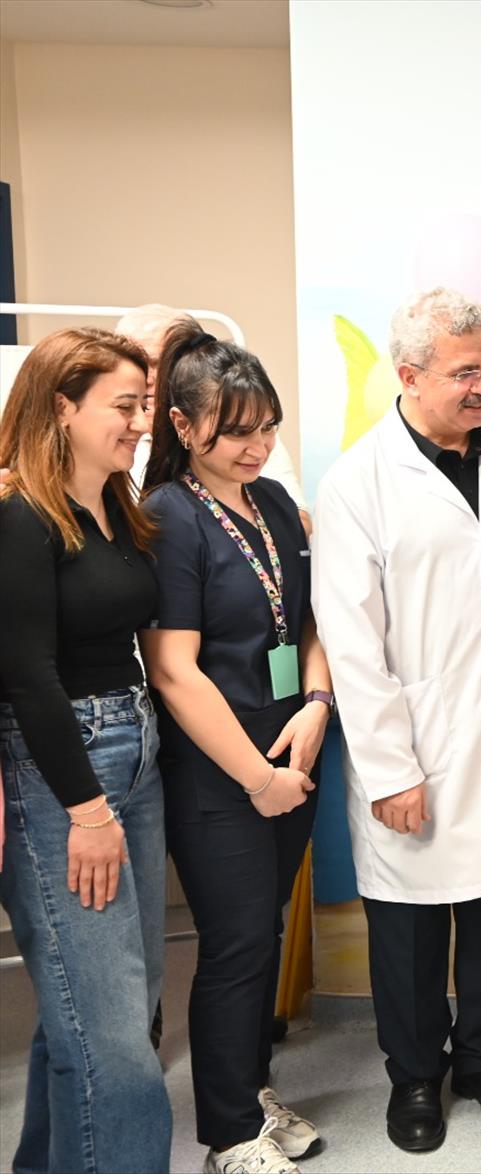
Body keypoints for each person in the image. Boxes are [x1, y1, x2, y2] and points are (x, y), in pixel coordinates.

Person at [312, 289, 481, 1153]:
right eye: (464, 372)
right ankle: (415, 1076)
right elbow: (352, 642)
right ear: (410, 376)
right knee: (410, 926)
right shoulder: (359, 483)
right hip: (417, 743)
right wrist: (391, 769)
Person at [138, 324, 332, 1174]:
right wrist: (257, 778)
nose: (257, 447)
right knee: (236, 942)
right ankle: (226, 1133)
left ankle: (251, 1093)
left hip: (295, 753)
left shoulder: (275, 502)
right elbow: (173, 670)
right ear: (184, 427)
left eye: (267, 429)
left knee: (263, 932)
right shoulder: (169, 518)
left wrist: (318, 704)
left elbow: (311, 621)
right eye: (237, 432)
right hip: (223, 773)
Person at [0, 328, 172, 1174]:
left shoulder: (115, 505)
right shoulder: (19, 514)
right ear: (63, 407)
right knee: (113, 1041)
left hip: (131, 748)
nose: (141, 422)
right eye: (125, 406)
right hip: (65, 770)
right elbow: (27, 676)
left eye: (144, 405)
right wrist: (87, 811)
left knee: (102, 1008)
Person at [113, 304, 310, 532]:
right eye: (136, 365)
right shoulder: (111, 440)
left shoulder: (255, 439)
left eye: (158, 364)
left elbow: (298, 523)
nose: (145, 377)